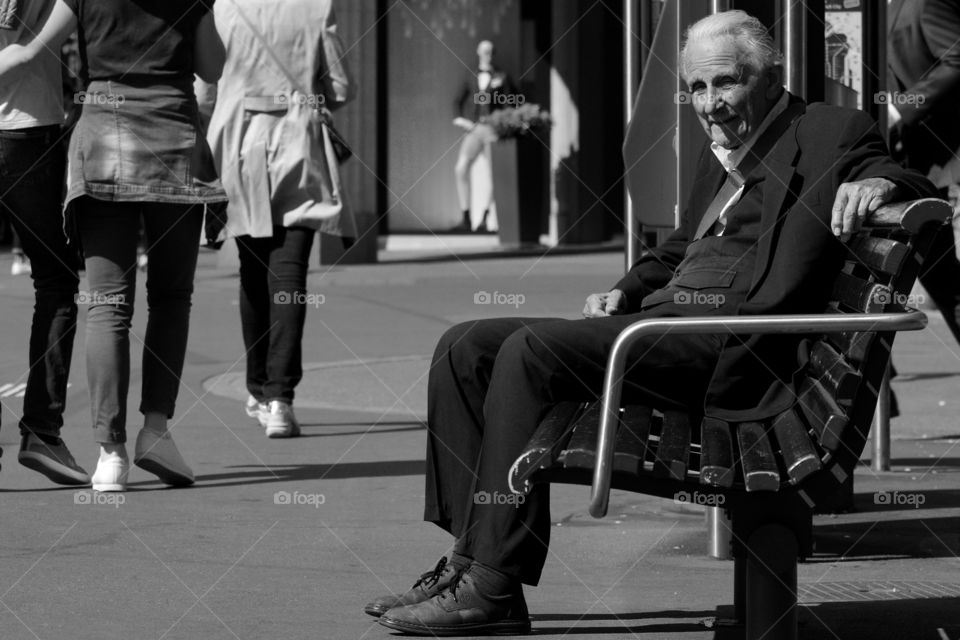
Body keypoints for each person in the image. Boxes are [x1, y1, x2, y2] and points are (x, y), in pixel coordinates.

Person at [365, 10, 937, 636]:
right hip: (669, 325)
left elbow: (910, 180)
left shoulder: (828, 129)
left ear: (771, 78)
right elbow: (680, 251)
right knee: (465, 345)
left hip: (731, 350)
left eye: (725, 83)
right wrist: (623, 290)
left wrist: (882, 182)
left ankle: (494, 585)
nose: (709, 103)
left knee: (529, 353)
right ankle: (470, 559)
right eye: (696, 87)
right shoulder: (720, 152)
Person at [0, 0, 227, 492]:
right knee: (170, 297)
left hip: (103, 134)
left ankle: (110, 455)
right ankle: (156, 431)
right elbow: (212, 68)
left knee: (106, 304)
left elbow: (33, 49)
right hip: (173, 132)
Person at [204, 0, 354, 438]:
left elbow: (204, 93)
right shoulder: (315, 7)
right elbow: (343, 88)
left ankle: (258, 389)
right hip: (297, 143)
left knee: (251, 270)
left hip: (239, 145)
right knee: (289, 276)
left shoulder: (222, 9)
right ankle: (281, 400)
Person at [0, 0, 87, 485]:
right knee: (55, 281)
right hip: (27, 135)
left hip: (28, 135)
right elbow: (29, 55)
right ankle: (42, 431)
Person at [887, 0, 960, 347]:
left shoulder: (924, 3)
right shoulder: (886, 10)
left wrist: (899, 109)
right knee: (939, 275)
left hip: (929, 157)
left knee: (940, 274)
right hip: (909, 157)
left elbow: (958, 59)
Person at [451, 40, 515, 233]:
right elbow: (457, 100)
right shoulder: (470, 74)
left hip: (493, 130)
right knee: (461, 168)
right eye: (484, 52)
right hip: (475, 129)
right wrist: (461, 121)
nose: (487, 55)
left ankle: (486, 216)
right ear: (479, 53)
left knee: (494, 173)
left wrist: (503, 123)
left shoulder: (502, 76)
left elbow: (511, 101)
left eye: (490, 52)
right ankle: (466, 216)